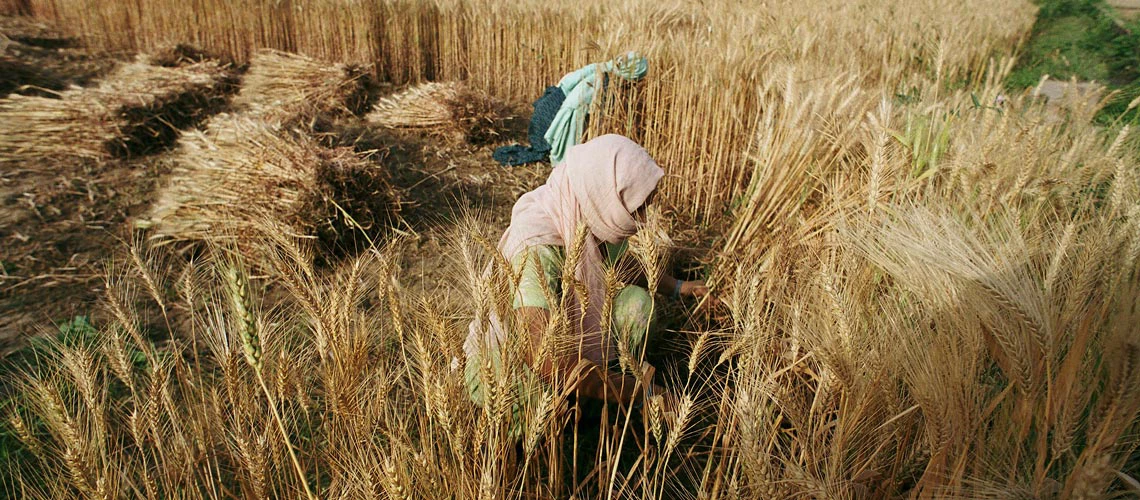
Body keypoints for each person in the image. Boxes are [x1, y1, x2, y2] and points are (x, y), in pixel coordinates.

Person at [464, 134, 708, 424]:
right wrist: (643, 392)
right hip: (513, 359)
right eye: (638, 208)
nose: (643, 221)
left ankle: (597, 390)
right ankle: (587, 400)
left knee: (638, 306)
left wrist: (679, 287)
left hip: (564, 338)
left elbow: (623, 263)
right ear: (607, 197)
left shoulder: (594, 212)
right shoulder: (536, 249)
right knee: (548, 414)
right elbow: (544, 358)